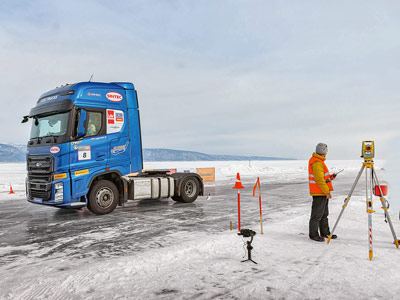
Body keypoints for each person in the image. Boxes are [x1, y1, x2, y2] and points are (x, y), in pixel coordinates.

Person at [308, 143, 338, 242]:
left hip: (321, 192)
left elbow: (323, 179)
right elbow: (319, 180)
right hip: (319, 193)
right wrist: (327, 192)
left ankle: (325, 233)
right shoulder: (317, 162)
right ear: (324, 152)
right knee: (317, 215)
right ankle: (313, 235)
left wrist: (330, 178)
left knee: (324, 214)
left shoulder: (319, 161)